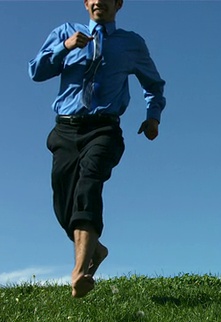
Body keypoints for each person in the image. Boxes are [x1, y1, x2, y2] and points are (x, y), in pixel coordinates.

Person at [29, 0, 166, 298]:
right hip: (65, 128)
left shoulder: (131, 43)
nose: (98, 2)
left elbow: (154, 85)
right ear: (85, 2)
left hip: (104, 128)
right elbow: (36, 71)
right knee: (63, 203)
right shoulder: (65, 32)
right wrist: (64, 47)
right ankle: (97, 249)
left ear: (118, 3)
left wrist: (152, 117)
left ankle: (79, 272)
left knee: (88, 186)